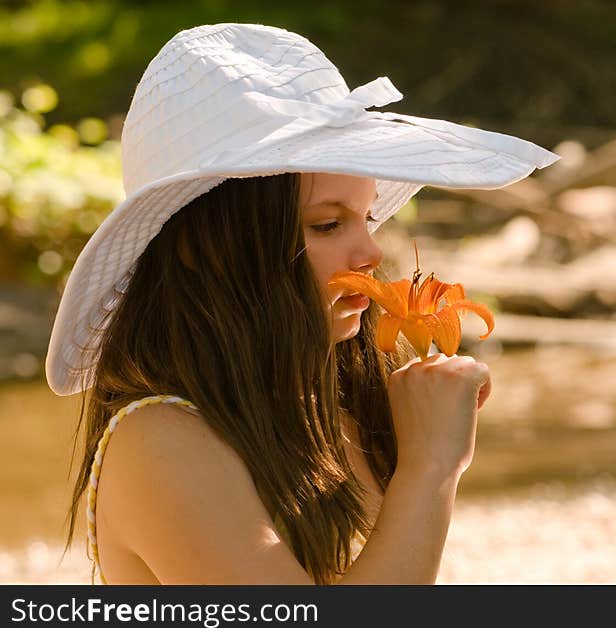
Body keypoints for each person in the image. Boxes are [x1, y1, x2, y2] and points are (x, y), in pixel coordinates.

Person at [49, 23, 560, 584]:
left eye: (366, 217)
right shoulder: (160, 441)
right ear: (201, 248)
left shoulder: (332, 408)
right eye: (327, 224)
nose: (371, 251)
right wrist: (429, 467)